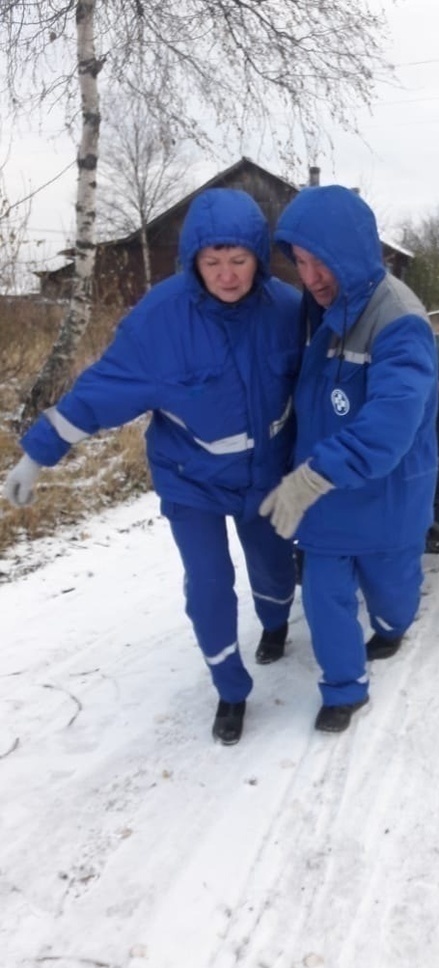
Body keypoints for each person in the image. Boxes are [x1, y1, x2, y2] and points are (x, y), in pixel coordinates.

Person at [2, 188, 304, 746]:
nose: (227, 274)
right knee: (209, 586)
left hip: (268, 473)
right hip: (191, 479)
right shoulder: (160, 319)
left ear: (259, 257)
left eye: (239, 260)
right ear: (193, 260)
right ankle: (230, 691)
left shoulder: (288, 310)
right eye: (212, 262)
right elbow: (100, 393)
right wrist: (36, 454)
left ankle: (277, 622)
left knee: (274, 566)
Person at [259, 184, 438, 734]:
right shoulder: (319, 311)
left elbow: (388, 429)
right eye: (301, 262)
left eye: (322, 262)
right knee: (324, 595)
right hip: (327, 496)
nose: (310, 277)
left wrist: (310, 480)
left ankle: (390, 625)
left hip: (386, 498)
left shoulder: (399, 322)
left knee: (393, 601)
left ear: (352, 253)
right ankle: (344, 688)